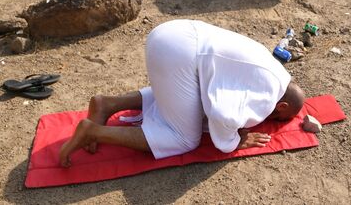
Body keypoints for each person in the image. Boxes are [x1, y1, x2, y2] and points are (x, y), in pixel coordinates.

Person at [58, 20, 305, 167]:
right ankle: (94, 132)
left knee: (186, 94)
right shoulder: (270, 95)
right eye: (276, 118)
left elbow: (212, 91)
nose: (268, 120)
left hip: (172, 33)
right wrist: (234, 142)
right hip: (179, 55)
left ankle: (108, 103)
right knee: (184, 138)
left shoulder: (275, 69)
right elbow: (223, 115)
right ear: (281, 106)